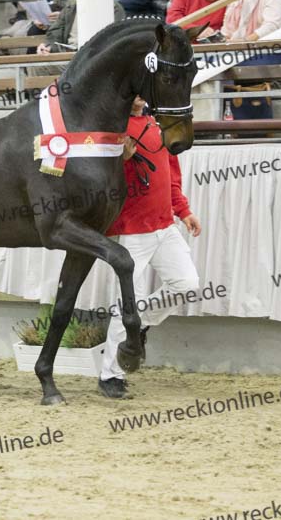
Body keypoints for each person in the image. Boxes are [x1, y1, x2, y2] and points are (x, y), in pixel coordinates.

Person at [98, 94, 201, 399]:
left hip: (164, 225)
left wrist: (183, 211)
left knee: (187, 284)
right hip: (133, 231)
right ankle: (110, 375)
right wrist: (121, 160)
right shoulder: (113, 128)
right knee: (129, 302)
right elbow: (98, 176)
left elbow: (171, 176)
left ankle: (139, 325)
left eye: (143, 92)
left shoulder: (158, 126)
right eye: (134, 92)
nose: (139, 97)